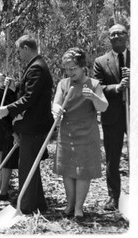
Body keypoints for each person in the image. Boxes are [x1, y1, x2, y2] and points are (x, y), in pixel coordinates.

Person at [0, 34, 54, 214]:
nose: (18, 55)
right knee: (30, 166)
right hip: (33, 125)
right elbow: (27, 90)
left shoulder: (37, 68)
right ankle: (38, 202)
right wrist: (15, 86)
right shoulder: (35, 67)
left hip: (34, 125)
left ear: (26, 48)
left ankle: (27, 206)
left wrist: (8, 108)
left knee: (27, 166)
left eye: (19, 51)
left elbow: (30, 98)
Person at [53, 47, 108, 219]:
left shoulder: (94, 84)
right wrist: (56, 109)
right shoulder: (63, 84)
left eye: (73, 69)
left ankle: (79, 208)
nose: (69, 73)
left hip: (87, 134)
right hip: (67, 132)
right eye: (67, 69)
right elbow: (55, 103)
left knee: (82, 171)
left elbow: (103, 107)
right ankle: (69, 204)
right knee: (67, 170)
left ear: (82, 66)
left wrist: (93, 96)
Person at [93, 24, 130, 211]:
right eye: (112, 34)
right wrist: (118, 87)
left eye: (120, 33)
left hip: (133, 116)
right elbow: (97, 88)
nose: (116, 36)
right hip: (112, 116)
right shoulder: (101, 61)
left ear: (127, 35)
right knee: (112, 158)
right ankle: (113, 197)